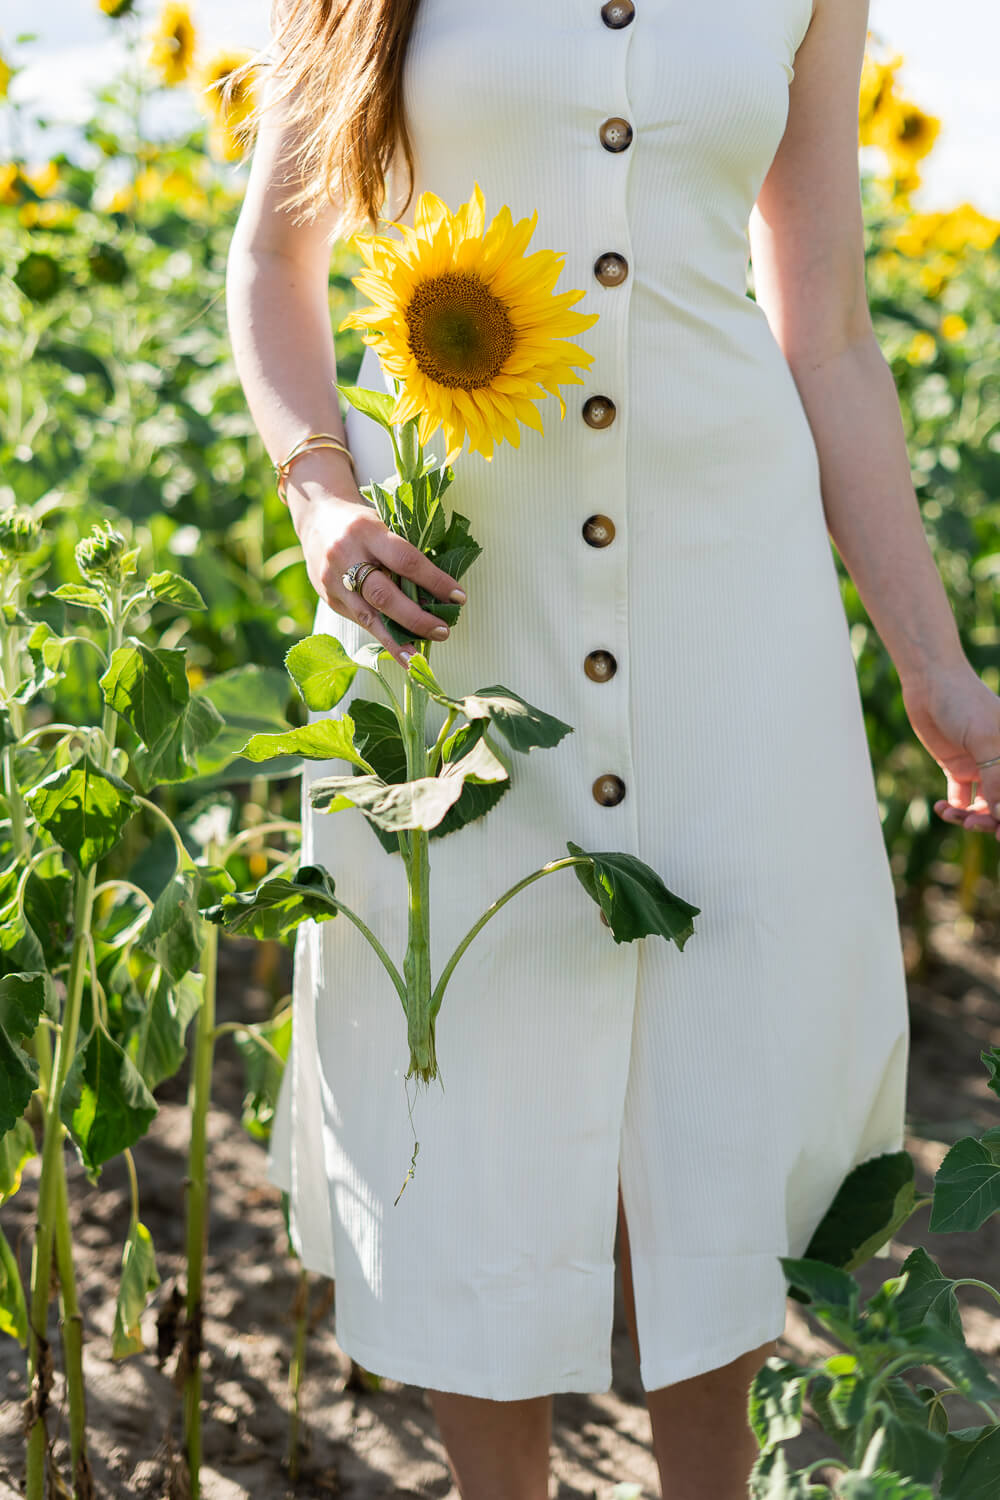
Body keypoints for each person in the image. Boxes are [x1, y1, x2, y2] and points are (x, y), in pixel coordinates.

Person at [225, 1, 1000, 1495]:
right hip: (456, 601)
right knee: (476, 1063)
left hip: (733, 586)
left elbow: (824, 332)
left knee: (722, 1069)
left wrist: (938, 669)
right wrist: (323, 499)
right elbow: (275, 257)